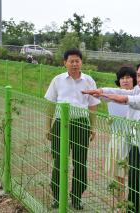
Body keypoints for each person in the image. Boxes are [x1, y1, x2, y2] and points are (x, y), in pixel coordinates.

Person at [82, 60, 140, 213]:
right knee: (135, 194)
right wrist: (101, 91)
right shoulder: (138, 90)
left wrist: (128, 100)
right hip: (135, 150)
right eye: (138, 75)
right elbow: (123, 93)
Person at [45, 48, 100, 210]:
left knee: (80, 162)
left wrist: (93, 127)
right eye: (71, 61)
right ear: (65, 63)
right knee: (59, 161)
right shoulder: (58, 80)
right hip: (61, 123)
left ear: (81, 62)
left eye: (77, 60)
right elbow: (50, 104)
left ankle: (76, 197)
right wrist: (48, 127)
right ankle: (57, 196)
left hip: (81, 124)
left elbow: (93, 106)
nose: (74, 64)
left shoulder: (89, 80)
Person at [104, 66, 137, 201]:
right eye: (122, 78)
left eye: (128, 77)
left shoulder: (139, 96)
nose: (125, 80)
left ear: (134, 79)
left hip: (136, 140)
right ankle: (121, 203)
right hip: (117, 138)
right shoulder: (112, 97)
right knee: (118, 173)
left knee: (136, 174)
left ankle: (134, 203)